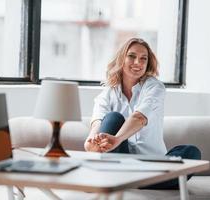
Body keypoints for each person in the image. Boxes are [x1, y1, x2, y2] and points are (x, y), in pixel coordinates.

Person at [84, 38, 201, 189]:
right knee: (113, 118)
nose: (138, 62)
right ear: (122, 59)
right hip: (120, 162)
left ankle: (136, 181)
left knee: (191, 152)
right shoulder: (108, 92)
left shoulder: (154, 87)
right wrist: (91, 144)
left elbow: (139, 118)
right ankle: (146, 182)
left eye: (143, 58)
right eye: (132, 56)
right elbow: (97, 123)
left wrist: (117, 139)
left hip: (153, 165)